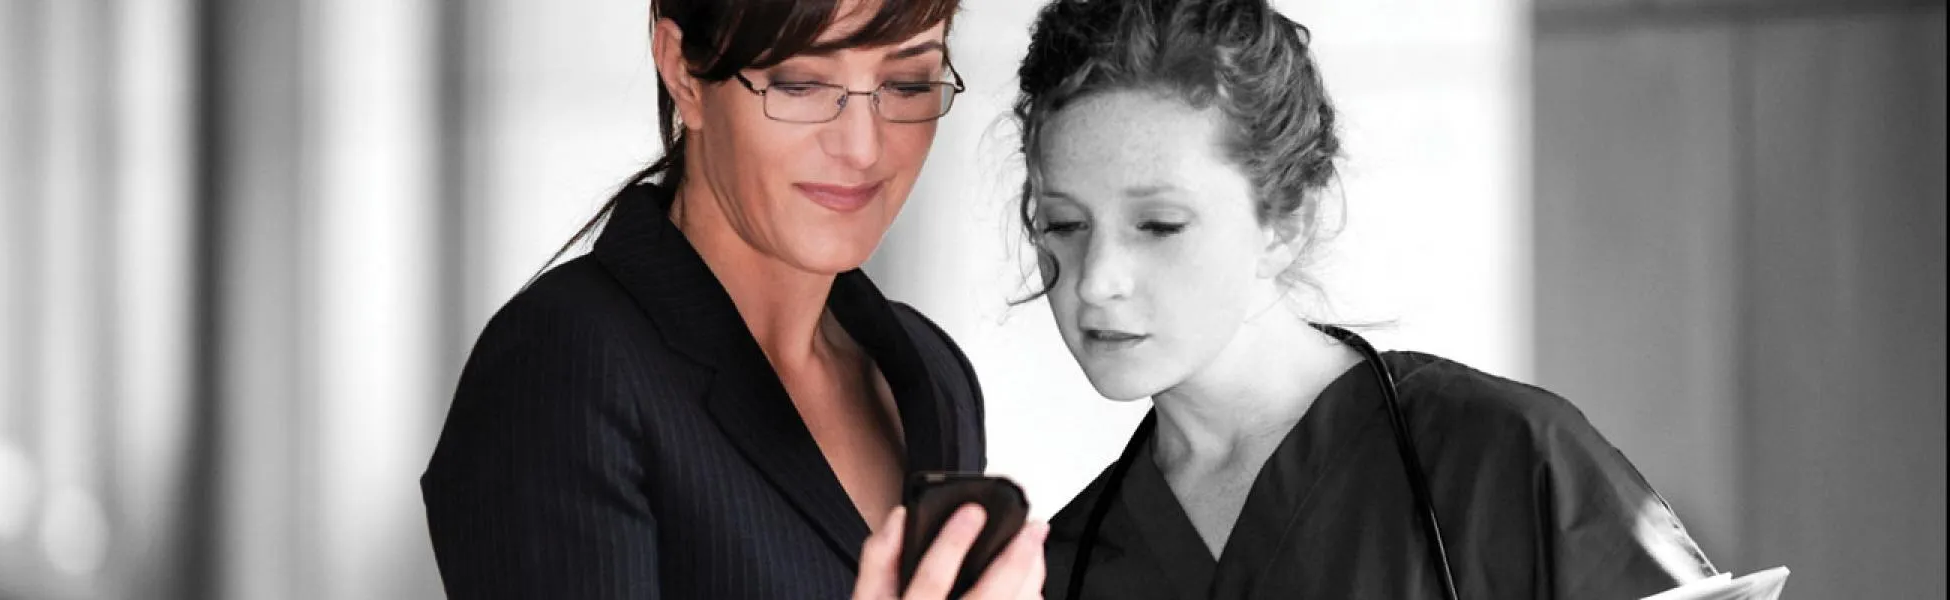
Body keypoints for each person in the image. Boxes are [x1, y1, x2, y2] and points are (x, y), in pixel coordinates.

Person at [1009, 0, 1718, 598]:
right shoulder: (1061, 569)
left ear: (1287, 220)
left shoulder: (1502, 461)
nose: (1095, 278)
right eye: (1064, 225)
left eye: (1158, 225)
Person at [420, 1, 1047, 597]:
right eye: (800, 83)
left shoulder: (928, 371)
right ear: (684, 72)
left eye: (908, 82)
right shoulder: (560, 369)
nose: (863, 146)